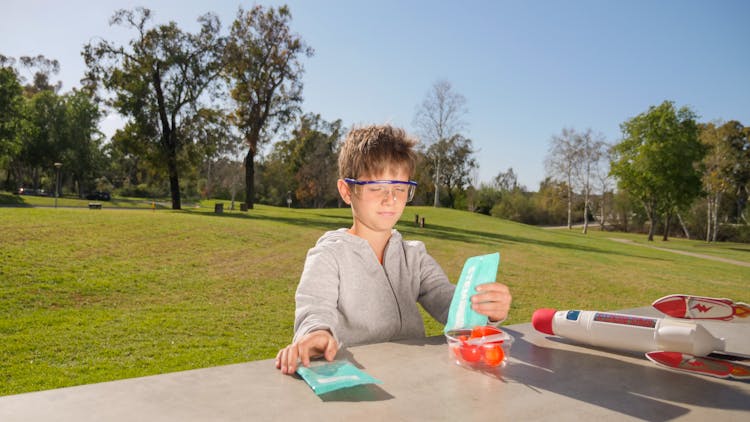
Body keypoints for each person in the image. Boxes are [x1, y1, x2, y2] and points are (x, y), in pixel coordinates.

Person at [275, 124, 512, 375]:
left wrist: (486, 309)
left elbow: (451, 305)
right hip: (361, 384)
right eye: (377, 187)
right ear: (347, 191)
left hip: (414, 382)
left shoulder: (414, 256)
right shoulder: (329, 256)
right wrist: (316, 334)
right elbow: (314, 310)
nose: (391, 199)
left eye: (400, 188)